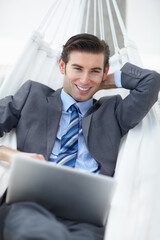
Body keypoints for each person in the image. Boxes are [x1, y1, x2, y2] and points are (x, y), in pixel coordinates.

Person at [0, 33, 160, 240]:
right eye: (77, 68)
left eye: (94, 70)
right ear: (61, 66)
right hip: (29, 205)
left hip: (85, 217)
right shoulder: (32, 95)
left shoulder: (113, 112)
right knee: (41, 234)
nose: (85, 79)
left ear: (105, 72)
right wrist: (11, 155)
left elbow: (152, 81)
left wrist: (99, 81)